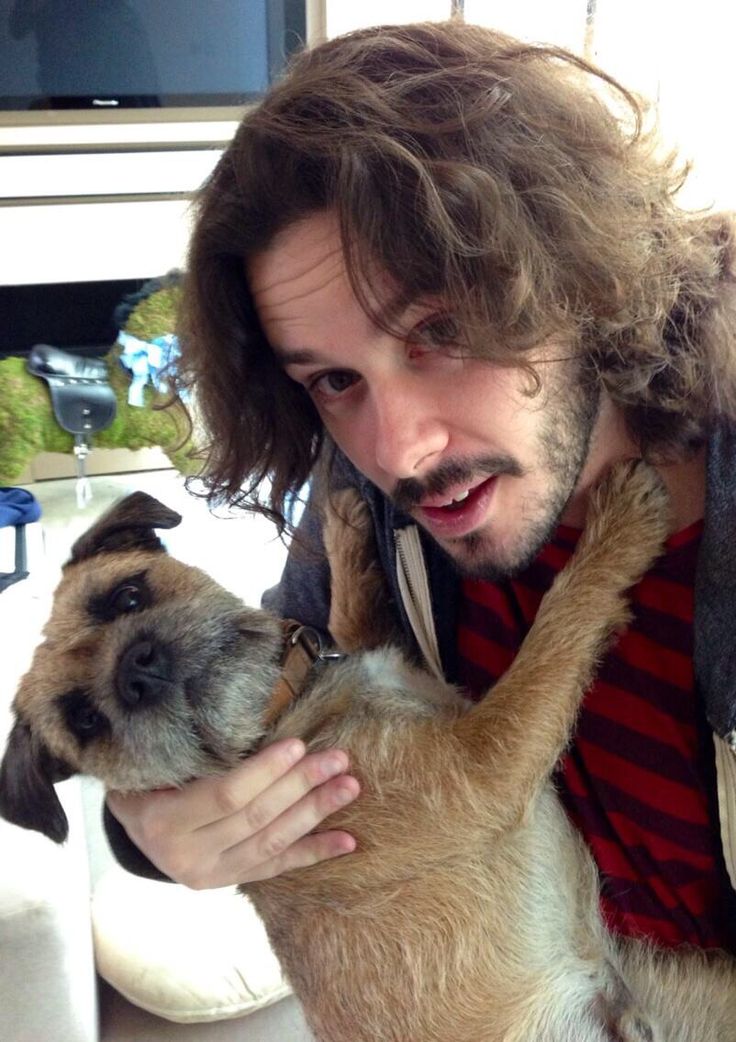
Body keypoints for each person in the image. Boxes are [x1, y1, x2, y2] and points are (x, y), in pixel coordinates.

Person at [106, 20, 736, 953]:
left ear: (573, 273)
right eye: (332, 380)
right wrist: (150, 829)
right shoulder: (363, 493)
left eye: (437, 331)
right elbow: (286, 690)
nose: (399, 452)